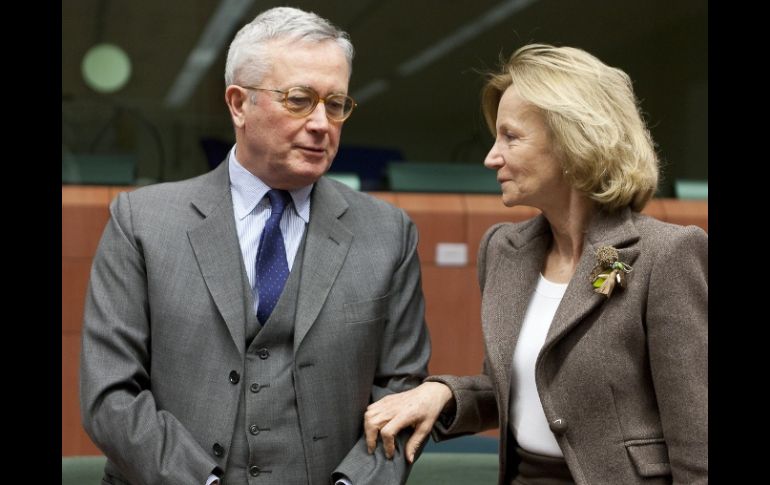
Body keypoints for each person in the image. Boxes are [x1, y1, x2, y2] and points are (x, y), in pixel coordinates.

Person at [79, 7, 430, 485]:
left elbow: (402, 394)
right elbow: (110, 394)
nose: (322, 124)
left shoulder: (388, 233)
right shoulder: (142, 222)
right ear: (239, 104)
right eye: (300, 99)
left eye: (336, 104)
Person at [363, 43, 707, 485]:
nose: (491, 157)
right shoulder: (503, 250)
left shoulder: (667, 255)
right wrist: (443, 393)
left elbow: (698, 446)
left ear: (574, 141)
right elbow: (524, 387)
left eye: (511, 136)